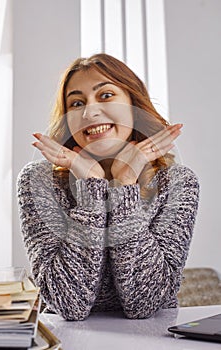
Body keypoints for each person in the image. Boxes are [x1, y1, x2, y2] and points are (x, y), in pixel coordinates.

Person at [17, 53, 199, 321]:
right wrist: (93, 189)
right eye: (77, 103)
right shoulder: (39, 181)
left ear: (133, 105)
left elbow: (145, 303)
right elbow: (68, 305)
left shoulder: (177, 183)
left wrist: (124, 184)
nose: (89, 112)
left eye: (105, 95)